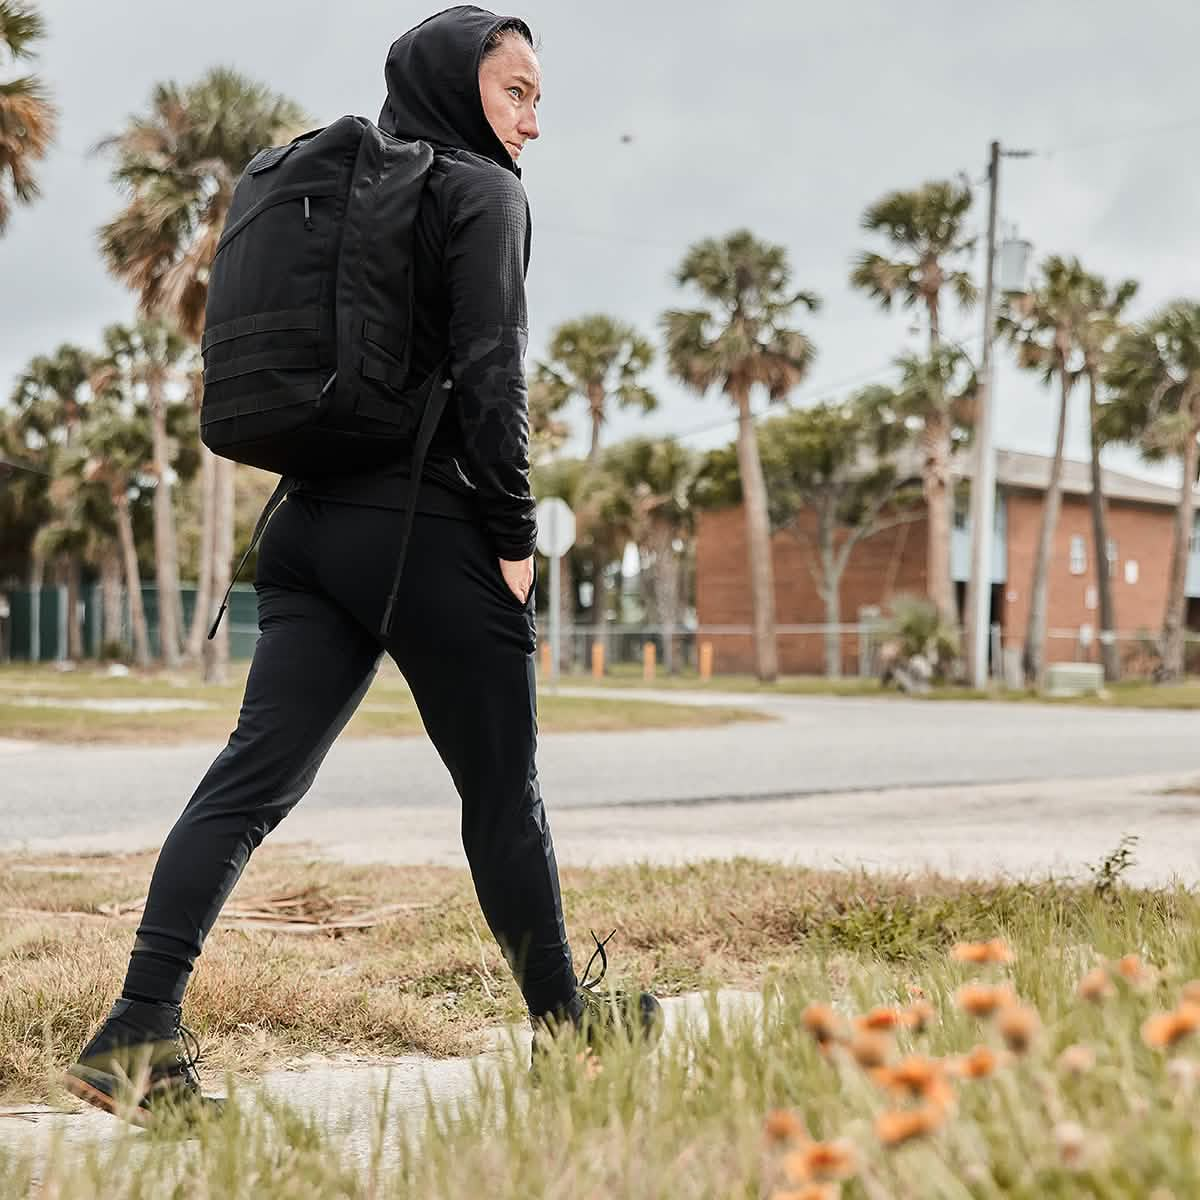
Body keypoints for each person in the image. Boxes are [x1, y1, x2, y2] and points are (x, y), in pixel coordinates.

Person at [66, 5, 659, 1125]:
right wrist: (514, 539)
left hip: (304, 530)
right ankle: (570, 1032)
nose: (533, 122)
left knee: (249, 782)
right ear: (460, 88)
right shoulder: (484, 194)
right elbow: (494, 380)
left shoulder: (364, 196)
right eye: (516, 92)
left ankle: (137, 1027)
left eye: (539, 98)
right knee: (503, 794)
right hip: (424, 535)